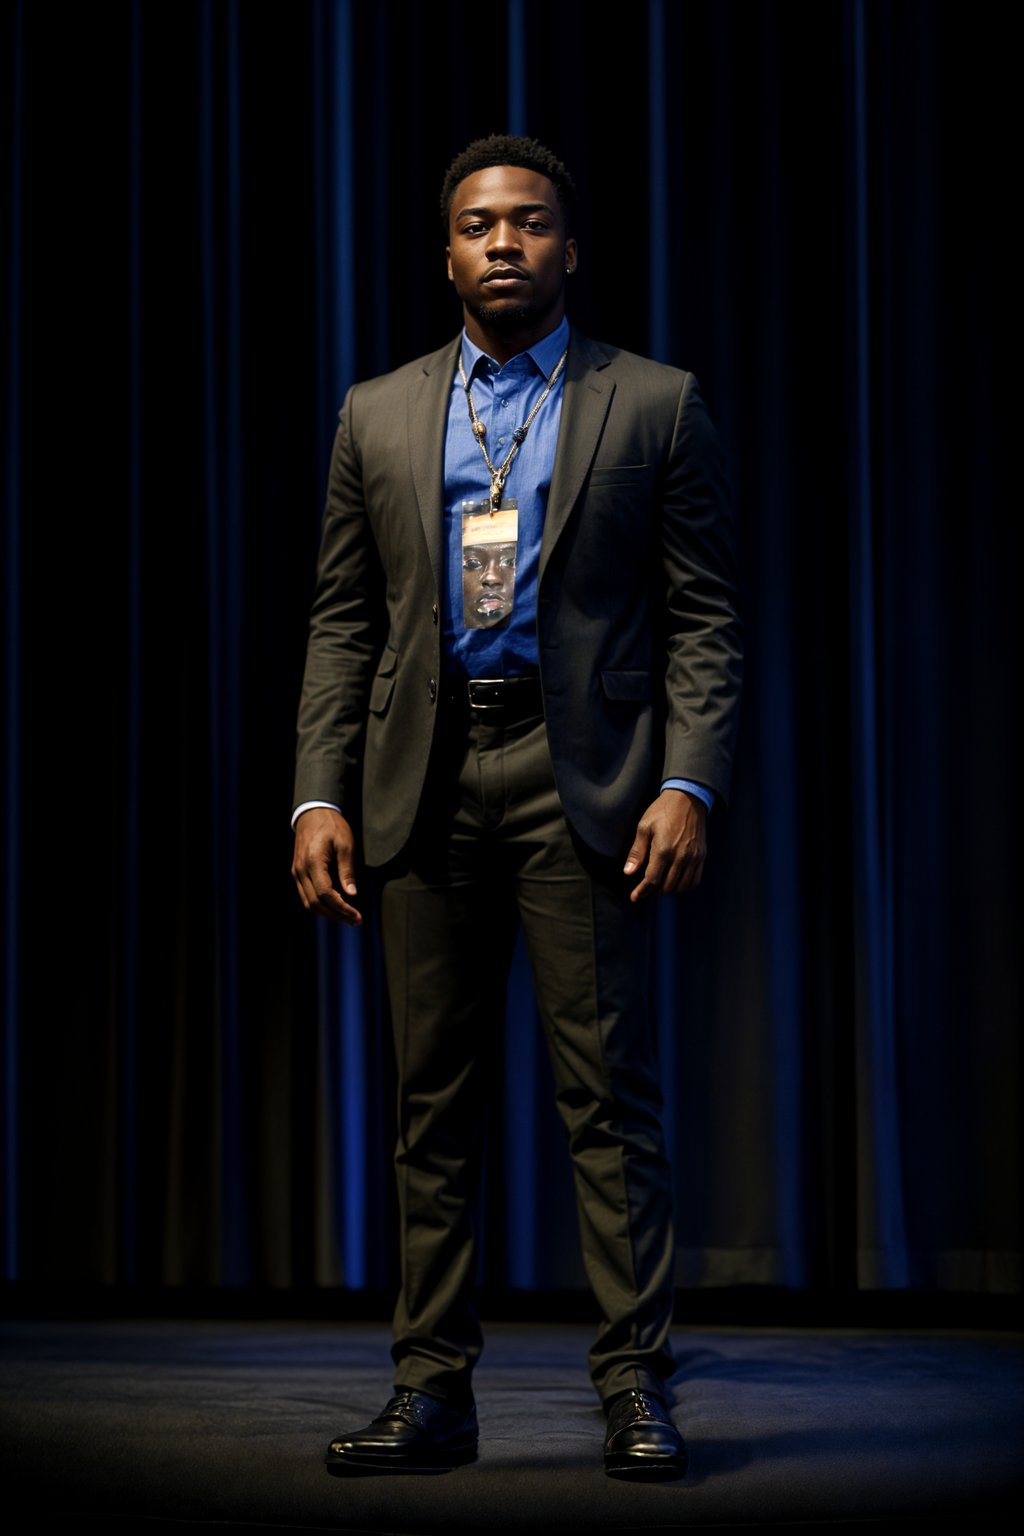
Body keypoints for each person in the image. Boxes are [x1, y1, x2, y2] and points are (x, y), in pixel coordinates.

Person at [291, 134, 742, 1479]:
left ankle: (636, 1393)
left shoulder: (654, 403)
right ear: (446, 252)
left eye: (529, 224)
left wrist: (687, 776)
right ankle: (431, 1394)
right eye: (480, 225)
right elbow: (342, 619)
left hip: (580, 784)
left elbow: (707, 614)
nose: (503, 243)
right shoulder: (376, 411)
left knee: (609, 1106)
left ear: (568, 249)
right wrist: (316, 792)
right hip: (416, 787)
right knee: (433, 1107)